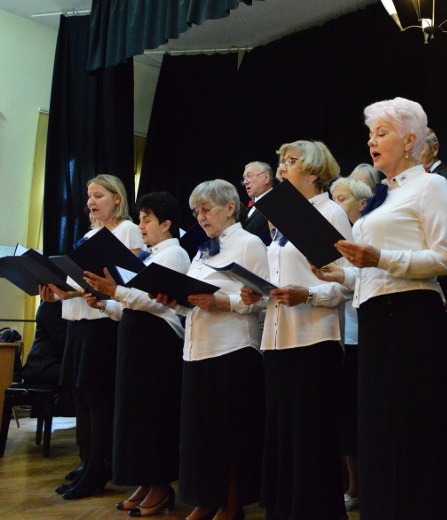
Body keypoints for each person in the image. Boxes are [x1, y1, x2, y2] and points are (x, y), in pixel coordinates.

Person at [313, 97, 447, 519]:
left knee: (411, 430)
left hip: (412, 317)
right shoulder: (382, 196)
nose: (372, 141)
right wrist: (339, 274)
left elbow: (443, 259)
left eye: (382, 133)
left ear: (410, 139)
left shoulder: (432, 186)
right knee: (378, 431)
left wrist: (379, 259)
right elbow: (372, 273)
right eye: (371, 133)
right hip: (377, 318)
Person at [240, 141, 352, 520]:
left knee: (310, 437)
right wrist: (257, 290)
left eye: (291, 162)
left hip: (313, 338)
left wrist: (309, 295)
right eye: (281, 161)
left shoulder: (332, 212)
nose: (283, 168)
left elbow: (348, 282)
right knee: (282, 435)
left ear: (315, 171)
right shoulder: (283, 216)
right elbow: (280, 272)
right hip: (277, 336)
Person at [161, 179, 268, 520]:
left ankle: (231, 506)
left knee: (228, 434)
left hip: (232, 349)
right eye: (196, 212)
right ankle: (206, 500)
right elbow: (196, 302)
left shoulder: (250, 243)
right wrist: (173, 301)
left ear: (230, 208)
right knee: (200, 436)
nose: (201, 217)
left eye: (206, 210)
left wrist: (223, 302)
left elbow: (264, 299)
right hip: (197, 349)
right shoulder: (202, 250)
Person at [83, 191, 189, 516]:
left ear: (167, 223)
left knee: (152, 414)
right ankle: (144, 481)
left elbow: (158, 301)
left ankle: (160, 485)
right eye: (140, 218)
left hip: (158, 347)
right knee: (134, 414)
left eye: (147, 219)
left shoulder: (174, 254)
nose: (141, 225)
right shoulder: (148, 255)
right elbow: (131, 303)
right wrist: (106, 303)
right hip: (137, 343)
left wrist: (116, 291)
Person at [43, 174, 144, 500]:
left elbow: (126, 277)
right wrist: (55, 293)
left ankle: (99, 467)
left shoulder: (126, 229)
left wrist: (80, 289)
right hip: (78, 322)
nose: (91, 201)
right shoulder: (89, 234)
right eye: (89, 196)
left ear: (117, 198)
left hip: (102, 322)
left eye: (98, 195)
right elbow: (77, 282)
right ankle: (86, 461)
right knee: (81, 396)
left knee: (97, 398)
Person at [329, 175, 373, 511]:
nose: (335, 203)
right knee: (344, 413)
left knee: (362, 413)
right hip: (341, 333)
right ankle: (352, 484)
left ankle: (365, 485)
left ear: (361, 204)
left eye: (341, 198)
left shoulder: (367, 232)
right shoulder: (335, 236)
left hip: (364, 333)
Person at [241, 161, 274, 245]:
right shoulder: (247, 209)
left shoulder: (277, 202)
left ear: (266, 177)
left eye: (249, 176)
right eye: (244, 178)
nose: (245, 182)